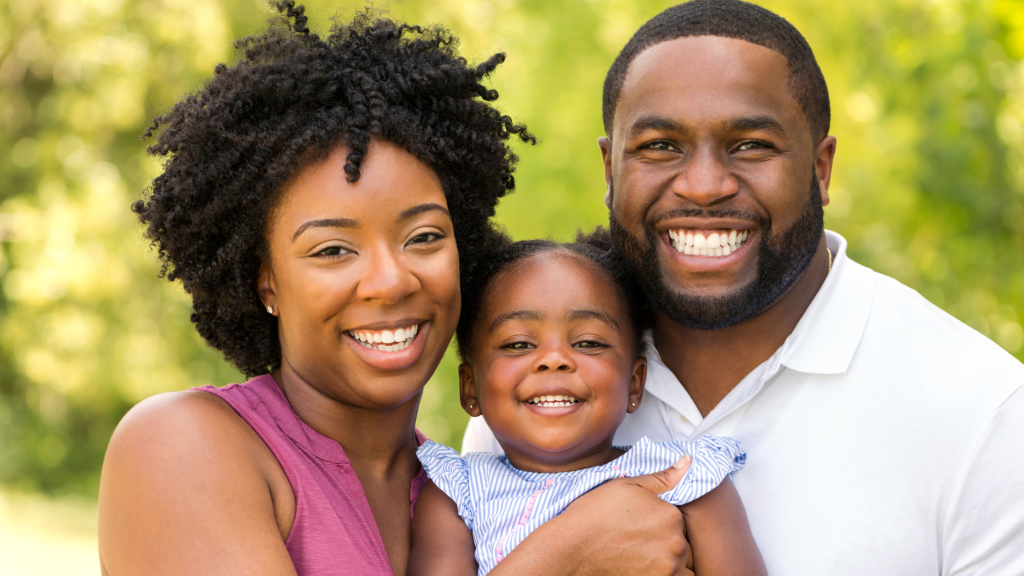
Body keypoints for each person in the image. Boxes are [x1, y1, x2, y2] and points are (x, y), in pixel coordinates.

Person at [98, 3, 702, 575]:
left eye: (423, 237)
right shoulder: (185, 445)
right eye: (333, 250)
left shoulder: (467, 493)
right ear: (266, 281)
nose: (390, 280)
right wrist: (561, 556)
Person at [463, 1, 1024, 574]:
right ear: (610, 171)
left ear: (821, 169)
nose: (704, 186)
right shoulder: (536, 381)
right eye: (660, 145)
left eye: (751, 145)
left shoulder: (984, 415)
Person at [409, 237, 764, 575]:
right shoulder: (457, 498)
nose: (554, 359)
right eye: (518, 344)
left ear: (634, 384)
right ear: (470, 389)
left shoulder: (690, 479)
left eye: (589, 342)